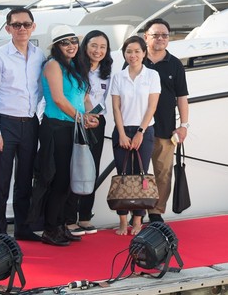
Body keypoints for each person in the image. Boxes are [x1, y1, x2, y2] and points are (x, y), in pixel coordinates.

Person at [0, 7, 45, 241]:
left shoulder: (39, 55)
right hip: (5, 123)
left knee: (25, 180)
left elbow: (41, 91)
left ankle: (23, 228)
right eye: (16, 25)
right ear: (8, 28)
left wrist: (38, 116)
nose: (22, 29)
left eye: (26, 24)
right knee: (0, 181)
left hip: (30, 123)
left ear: (33, 27)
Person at [32, 25, 92, 246]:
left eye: (74, 41)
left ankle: (60, 225)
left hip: (73, 126)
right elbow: (58, 99)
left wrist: (90, 115)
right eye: (65, 42)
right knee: (59, 179)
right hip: (56, 127)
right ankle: (50, 228)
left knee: (69, 179)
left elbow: (84, 98)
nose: (71, 46)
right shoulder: (52, 65)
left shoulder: (76, 66)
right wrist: (81, 117)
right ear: (56, 46)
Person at [111, 35, 161, 236]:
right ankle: (123, 221)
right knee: (122, 175)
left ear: (144, 53)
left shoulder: (152, 76)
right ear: (124, 53)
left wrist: (140, 132)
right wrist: (122, 134)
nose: (133, 55)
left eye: (137, 51)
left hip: (145, 130)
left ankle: (138, 221)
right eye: (129, 51)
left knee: (142, 176)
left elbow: (152, 107)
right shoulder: (118, 77)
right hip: (122, 130)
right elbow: (116, 108)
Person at [64, 30, 113, 236]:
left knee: (92, 168)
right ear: (85, 46)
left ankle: (85, 216)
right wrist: (84, 116)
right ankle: (68, 218)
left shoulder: (107, 70)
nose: (98, 50)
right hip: (76, 120)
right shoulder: (75, 67)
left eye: (103, 47)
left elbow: (107, 98)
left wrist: (94, 117)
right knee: (74, 168)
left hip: (97, 122)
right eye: (94, 45)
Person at [141, 18, 189, 225]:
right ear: (146, 37)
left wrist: (184, 126)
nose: (160, 38)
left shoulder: (175, 64)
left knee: (163, 173)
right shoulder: (136, 59)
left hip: (166, 128)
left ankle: (156, 213)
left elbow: (182, 97)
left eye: (164, 35)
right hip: (139, 128)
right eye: (155, 35)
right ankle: (137, 212)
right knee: (139, 173)